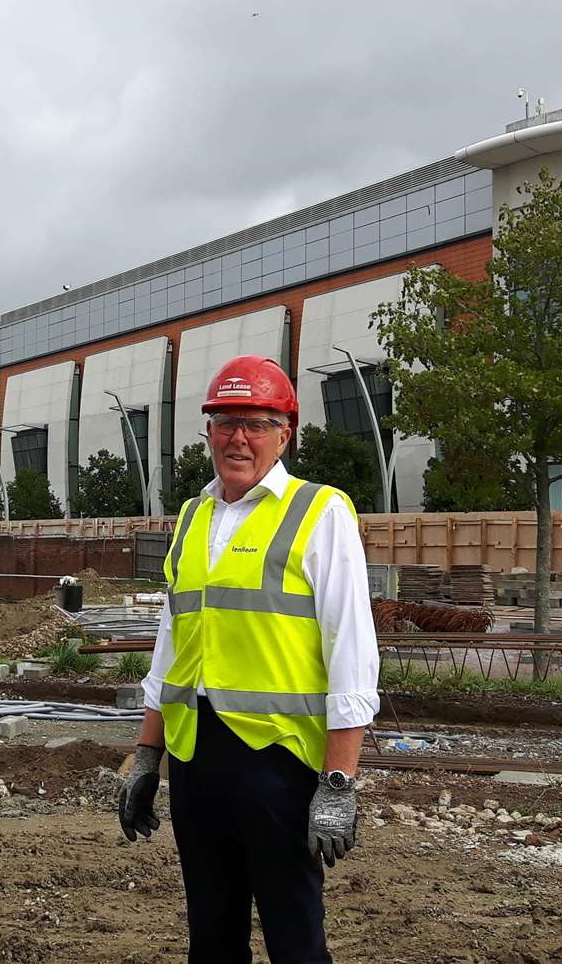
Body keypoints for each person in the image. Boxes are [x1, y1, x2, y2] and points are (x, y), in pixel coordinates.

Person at [117, 355, 380, 964]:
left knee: (293, 930)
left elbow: (352, 651)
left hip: (278, 761)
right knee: (210, 928)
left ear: (284, 433)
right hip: (195, 755)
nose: (239, 436)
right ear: (208, 430)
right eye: (226, 421)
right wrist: (146, 756)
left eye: (256, 422)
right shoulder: (193, 516)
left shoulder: (320, 512)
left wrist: (339, 781)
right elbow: (172, 646)